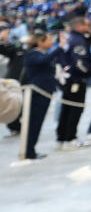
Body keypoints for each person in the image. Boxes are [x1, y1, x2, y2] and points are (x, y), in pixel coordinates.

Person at [55, 15, 91, 150]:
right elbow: (79, 62)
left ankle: (62, 137)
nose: (88, 27)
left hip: (69, 79)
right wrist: (89, 72)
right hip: (76, 80)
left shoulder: (70, 38)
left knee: (67, 108)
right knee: (75, 108)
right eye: (86, 25)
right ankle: (71, 137)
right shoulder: (78, 40)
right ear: (79, 26)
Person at [20, 30, 58, 160]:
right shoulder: (32, 54)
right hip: (36, 94)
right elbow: (43, 61)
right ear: (40, 42)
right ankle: (28, 151)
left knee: (38, 122)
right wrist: (60, 48)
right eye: (48, 40)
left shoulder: (43, 54)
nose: (51, 42)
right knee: (33, 123)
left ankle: (31, 150)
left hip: (45, 92)